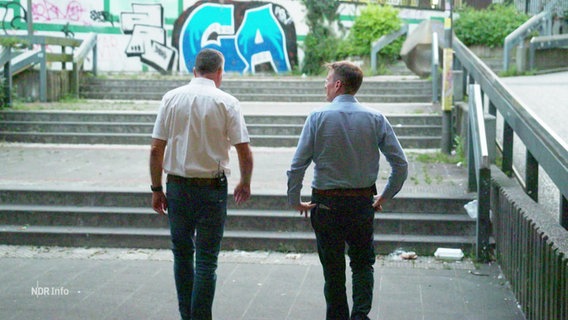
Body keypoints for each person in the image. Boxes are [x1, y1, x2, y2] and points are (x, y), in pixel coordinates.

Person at [286, 61, 408, 320]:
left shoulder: (317, 117)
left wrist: (295, 199)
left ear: (338, 84)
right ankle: (360, 315)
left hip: (326, 205)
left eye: (328, 80)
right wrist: (384, 196)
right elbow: (400, 164)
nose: (325, 85)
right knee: (363, 264)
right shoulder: (376, 118)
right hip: (361, 203)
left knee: (333, 270)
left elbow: (297, 165)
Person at [149, 48, 253, 320]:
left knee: (182, 255)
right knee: (206, 260)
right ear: (219, 73)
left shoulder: (171, 98)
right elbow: (244, 150)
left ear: (194, 71)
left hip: (177, 188)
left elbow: (155, 149)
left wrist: (156, 189)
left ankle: (187, 315)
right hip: (212, 190)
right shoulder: (228, 102)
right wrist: (245, 182)